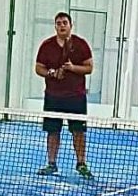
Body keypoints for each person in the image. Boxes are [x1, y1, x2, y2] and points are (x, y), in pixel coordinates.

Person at [34, 12, 95, 178]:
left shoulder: (81, 44)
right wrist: (52, 73)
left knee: (79, 132)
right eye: (59, 23)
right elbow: (39, 68)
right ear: (55, 26)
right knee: (53, 131)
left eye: (65, 23)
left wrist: (72, 68)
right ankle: (51, 163)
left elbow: (89, 68)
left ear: (70, 25)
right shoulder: (46, 46)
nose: (62, 26)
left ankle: (81, 164)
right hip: (53, 96)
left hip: (76, 96)